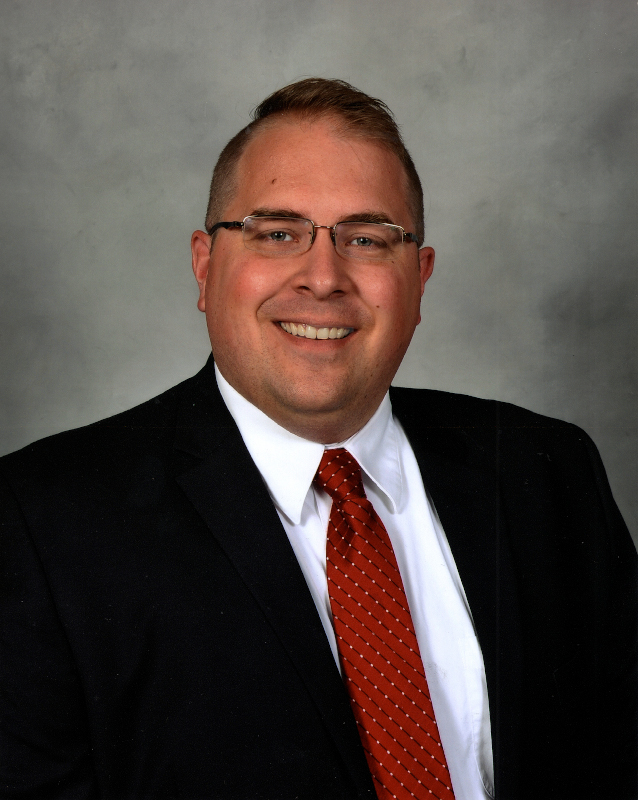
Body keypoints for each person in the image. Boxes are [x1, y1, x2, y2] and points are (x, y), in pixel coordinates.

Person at [0, 78, 635, 800]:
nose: (324, 276)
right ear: (206, 266)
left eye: (367, 238)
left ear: (419, 280)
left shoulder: (547, 471)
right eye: (277, 232)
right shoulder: (42, 523)